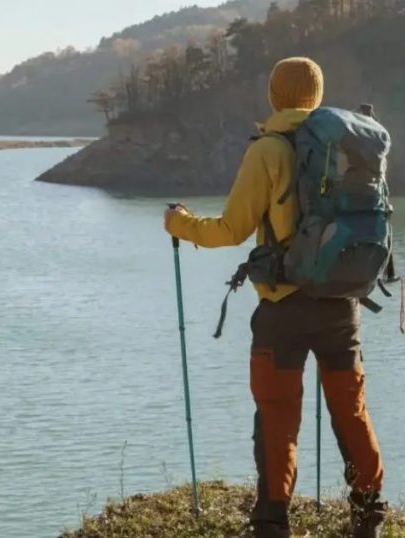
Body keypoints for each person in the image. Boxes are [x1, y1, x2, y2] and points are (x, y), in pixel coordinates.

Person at [163, 57, 388, 538]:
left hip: (282, 308)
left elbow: (230, 230)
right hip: (341, 304)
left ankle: (271, 524)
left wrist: (179, 222)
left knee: (277, 415)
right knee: (350, 410)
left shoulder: (267, 149)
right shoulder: (347, 146)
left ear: (273, 95)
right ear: (318, 95)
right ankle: (368, 516)